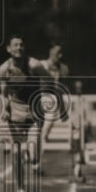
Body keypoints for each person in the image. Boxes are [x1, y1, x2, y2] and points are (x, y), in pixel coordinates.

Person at [0, 35, 50, 192]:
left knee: (33, 157)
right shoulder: (4, 69)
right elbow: (4, 94)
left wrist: (41, 98)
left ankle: (30, 155)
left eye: (21, 44)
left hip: (34, 112)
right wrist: (5, 110)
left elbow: (49, 79)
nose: (19, 47)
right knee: (16, 153)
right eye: (15, 45)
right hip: (16, 113)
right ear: (9, 49)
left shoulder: (33, 65)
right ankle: (20, 190)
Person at [39, 43, 72, 175]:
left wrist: (62, 109)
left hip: (50, 101)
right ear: (51, 52)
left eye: (61, 53)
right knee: (38, 132)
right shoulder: (41, 65)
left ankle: (33, 159)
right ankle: (33, 160)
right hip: (37, 98)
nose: (60, 55)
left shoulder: (61, 69)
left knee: (44, 132)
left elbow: (58, 90)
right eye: (58, 53)